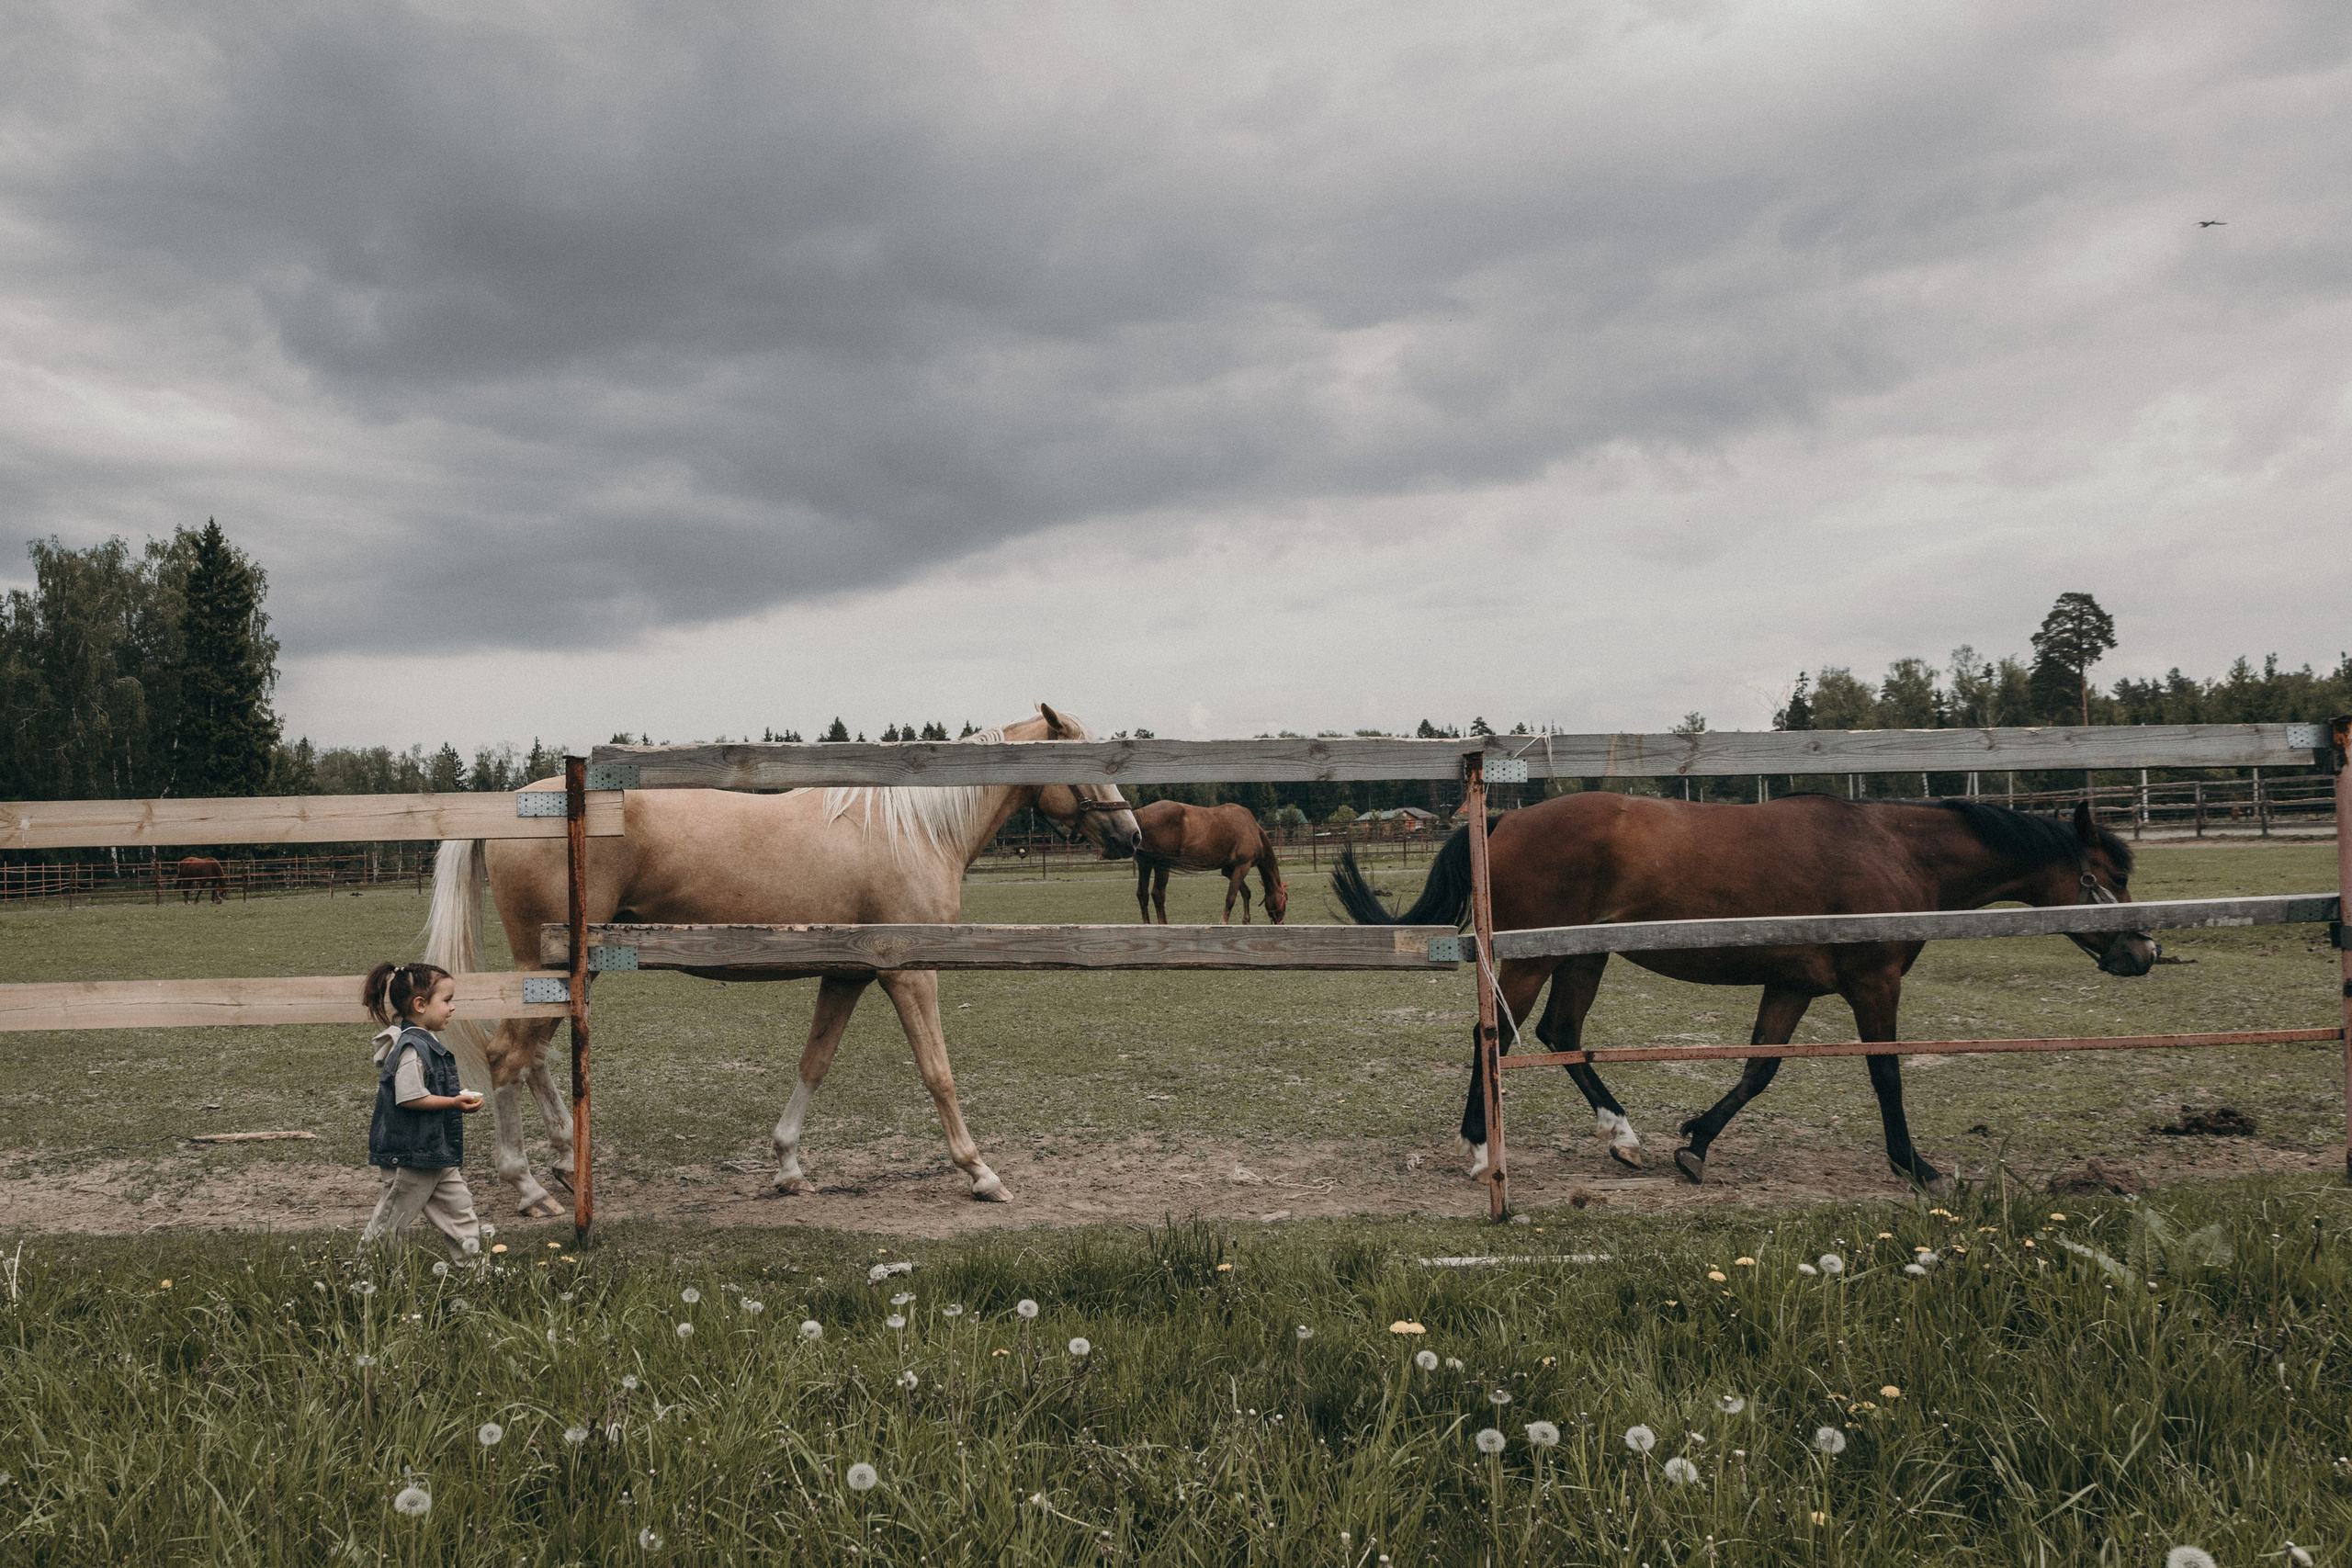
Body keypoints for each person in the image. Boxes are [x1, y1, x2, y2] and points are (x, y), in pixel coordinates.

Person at [358, 961, 486, 1257]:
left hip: (435, 1151)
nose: (452, 1008)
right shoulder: (412, 1049)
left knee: (461, 1212)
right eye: (447, 1000)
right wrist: (454, 1102)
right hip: (410, 1155)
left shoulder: (426, 1043)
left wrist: (454, 1097)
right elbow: (409, 1097)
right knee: (392, 1221)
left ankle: (474, 1272)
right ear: (419, 1004)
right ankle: (365, 1276)